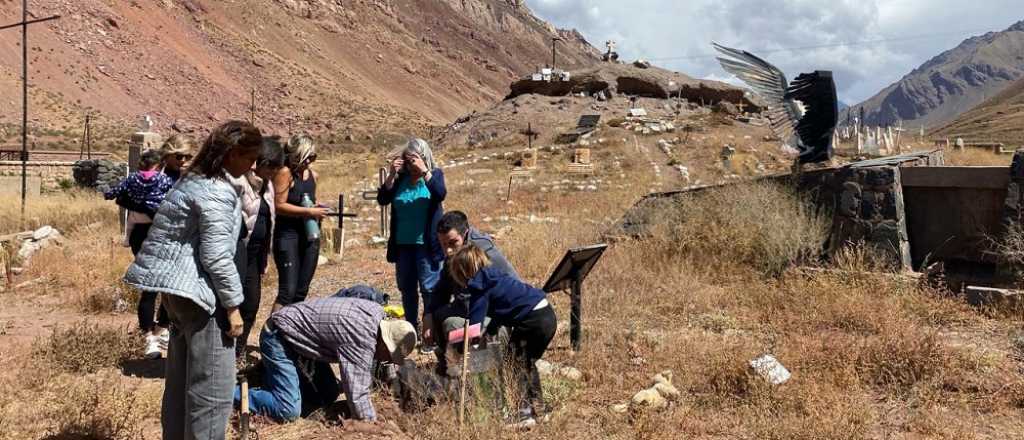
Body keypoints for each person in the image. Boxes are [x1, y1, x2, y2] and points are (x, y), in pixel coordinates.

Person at [124, 120, 263, 440]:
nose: (252, 164)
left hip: (178, 294)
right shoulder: (217, 189)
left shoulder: (191, 180)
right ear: (232, 154)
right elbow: (215, 255)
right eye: (249, 156)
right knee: (210, 395)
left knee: (179, 387)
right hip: (204, 299)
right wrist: (232, 306)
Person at [236, 295, 416, 422]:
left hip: (304, 342)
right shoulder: (361, 340)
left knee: (329, 393)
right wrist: (373, 427)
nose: (388, 360)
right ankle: (229, 395)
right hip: (278, 336)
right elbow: (358, 397)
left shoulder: (378, 315)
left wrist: (391, 380)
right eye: (390, 356)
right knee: (288, 411)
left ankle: (272, 380)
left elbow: (385, 356)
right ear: (384, 342)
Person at [447, 244, 556, 428]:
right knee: (525, 362)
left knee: (515, 363)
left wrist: (452, 339)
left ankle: (524, 414)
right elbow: (500, 314)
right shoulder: (494, 276)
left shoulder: (479, 287)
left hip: (533, 320)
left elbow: (473, 329)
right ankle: (539, 409)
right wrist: (488, 333)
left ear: (462, 272)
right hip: (546, 313)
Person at [424, 210, 518, 374]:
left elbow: (513, 294)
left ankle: (473, 368)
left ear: (465, 234)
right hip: (470, 311)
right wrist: (428, 315)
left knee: (451, 324)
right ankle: (451, 359)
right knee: (439, 314)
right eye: (443, 245)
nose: (448, 251)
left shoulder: (484, 255)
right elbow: (441, 290)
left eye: (452, 243)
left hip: (493, 319)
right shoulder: (455, 253)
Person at [376, 138, 446, 348]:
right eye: (407, 160)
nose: (410, 164)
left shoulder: (435, 175)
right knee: (407, 289)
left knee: (429, 288)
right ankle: (411, 331)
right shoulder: (401, 179)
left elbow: (440, 193)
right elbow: (382, 199)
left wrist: (425, 171)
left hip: (426, 244)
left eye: (413, 159)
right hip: (403, 244)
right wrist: (391, 175)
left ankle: (431, 334)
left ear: (424, 157)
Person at [105, 149, 175, 359]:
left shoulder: (132, 179)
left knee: (161, 285)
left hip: (140, 233)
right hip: (157, 232)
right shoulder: (165, 180)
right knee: (156, 285)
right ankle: (151, 334)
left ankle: (158, 331)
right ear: (160, 164)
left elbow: (115, 194)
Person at [234, 137, 286, 359]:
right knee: (233, 302)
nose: (274, 172)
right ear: (261, 162)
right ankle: (226, 352)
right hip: (238, 253)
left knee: (251, 304)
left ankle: (238, 350)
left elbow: (269, 220)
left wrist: (266, 255)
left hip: (255, 255)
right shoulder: (240, 183)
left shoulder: (268, 186)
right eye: (271, 167)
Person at [272, 135, 329, 312]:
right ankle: (270, 334)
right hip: (288, 235)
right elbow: (278, 205)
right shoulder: (285, 173)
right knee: (287, 292)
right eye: (307, 157)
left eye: (313, 157)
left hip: (309, 235)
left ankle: (291, 331)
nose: (310, 161)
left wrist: (316, 208)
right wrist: (308, 211)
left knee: (301, 290)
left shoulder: (313, 175)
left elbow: (309, 200)